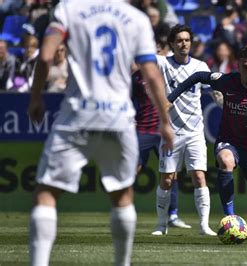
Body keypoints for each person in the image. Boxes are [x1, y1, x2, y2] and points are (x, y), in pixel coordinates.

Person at [27, 1, 173, 266]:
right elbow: (151, 74)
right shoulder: (136, 18)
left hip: (76, 114)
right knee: (122, 195)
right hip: (118, 117)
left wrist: (36, 96)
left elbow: (46, 56)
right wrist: (165, 121)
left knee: (47, 193)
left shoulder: (69, 9)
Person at [168, 45, 247, 244]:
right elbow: (198, 76)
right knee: (226, 161)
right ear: (238, 66)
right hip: (229, 141)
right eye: (246, 67)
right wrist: (170, 99)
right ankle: (230, 218)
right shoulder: (227, 81)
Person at [152, 25, 217, 237]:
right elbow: (143, 60)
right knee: (167, 179)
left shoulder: (200, 66)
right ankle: (162, 225)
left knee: (199, 177)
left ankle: (204, 226)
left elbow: (215, 94)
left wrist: (225, 104)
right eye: (179, 40)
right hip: (171, 132)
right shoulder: (163, 63)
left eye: (187, 40)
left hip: (195, 132)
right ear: (172, 44)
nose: (184, 44)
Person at [131, 70, 191, 230]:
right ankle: (126, 210)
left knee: (172, 173)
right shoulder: (137, 76)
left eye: (159, 51)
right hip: (142, 130)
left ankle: (173, 215)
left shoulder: (169, 73)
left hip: (164, 131)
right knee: (132, 170)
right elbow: (129, 99)